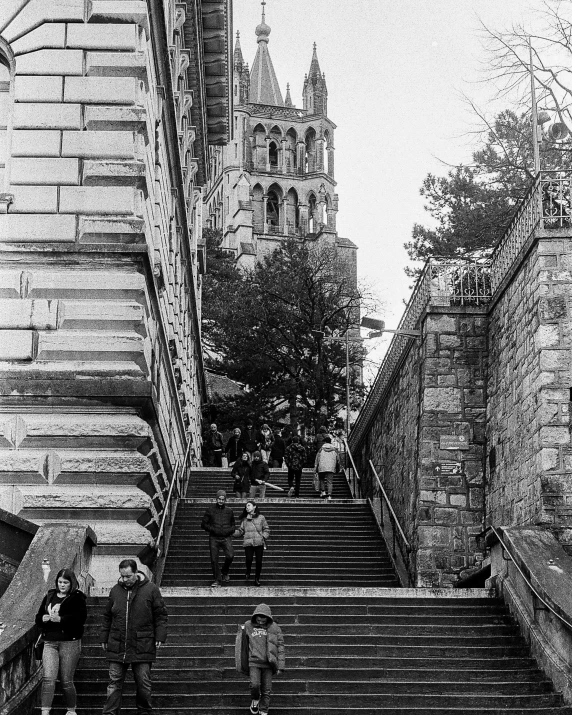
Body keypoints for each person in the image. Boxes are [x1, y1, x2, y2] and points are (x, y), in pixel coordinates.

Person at [100, 559, 168, 715]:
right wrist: (104, 637)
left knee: (144, 684)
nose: (124, 580)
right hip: (117, 644)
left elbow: (161, 615)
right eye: (122, 576)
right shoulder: (115, 591)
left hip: (143, 644)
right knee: (114, 684)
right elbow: (107, 616)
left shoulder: (151, 590)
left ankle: (144, 712)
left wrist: (160, 635)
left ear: (136, 573)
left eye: (128, 576)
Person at [35, 568, 87, 715]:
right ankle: (45, 712)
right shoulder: (50, 595)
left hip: (69, 642)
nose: (62, 585)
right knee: (48, 678)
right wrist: (42, 619)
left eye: (65, 582)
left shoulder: (78, 597)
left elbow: (81, 619)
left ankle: (71, 710)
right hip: (50, 641)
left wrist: (62, 620)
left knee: (66, 680)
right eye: (60, 582)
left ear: (72, 583)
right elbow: (38, 616)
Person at [236, 603, 285, 715]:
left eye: (263, 620)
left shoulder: (274, 628)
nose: (261, 621)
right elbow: (242, 643)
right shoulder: (248, 625)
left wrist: (280, 666)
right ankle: (255, 699)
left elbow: (280, 647)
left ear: (268, 618)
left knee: (267, 690)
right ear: (255, 616)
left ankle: (264, 710)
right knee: (255, 685)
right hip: (254, 662)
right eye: (259, 619)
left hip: (269, 663)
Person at [201, 489, 236, 586]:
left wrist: (229, 531)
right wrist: (213, 530)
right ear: (216, 499)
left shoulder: (229, 511)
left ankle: (225, 571)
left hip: (226, 537)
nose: (221, 501)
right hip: (214, 538)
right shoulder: (210, 510)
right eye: (219, 499)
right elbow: (203, 524)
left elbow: (233, 524)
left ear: (225, 500)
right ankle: (217, 579)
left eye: (223, 499)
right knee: (214, 559)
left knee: (230, 555)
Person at [234, 499, 270, 586]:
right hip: (248, 543)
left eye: (248, 505)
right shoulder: (245, 519)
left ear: (254, 507)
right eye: (246, 506)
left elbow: (266, 529)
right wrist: (231, 532)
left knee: (259, 561)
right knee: (249, 559)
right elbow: (241, 531)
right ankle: (248, 570)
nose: (247, 508)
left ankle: (257, 578)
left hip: (259, 543)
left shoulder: (261, 518)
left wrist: (263, 537)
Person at [314, 435, 340, 501]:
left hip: (322, 467)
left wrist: (316, 466)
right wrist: (337, 467)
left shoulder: (321, 449)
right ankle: (329, 495)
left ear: (325, 442)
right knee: (330, 482)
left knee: (322, 479)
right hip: (331, 467)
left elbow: (317, 459)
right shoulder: (335, 450)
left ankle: (323, 492)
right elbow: (338, 460)